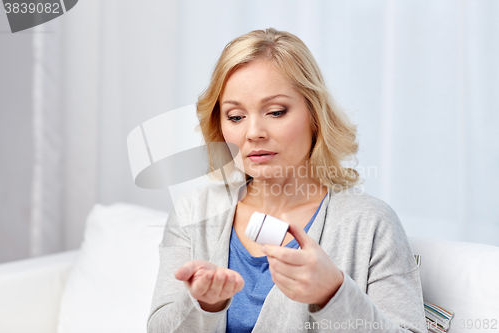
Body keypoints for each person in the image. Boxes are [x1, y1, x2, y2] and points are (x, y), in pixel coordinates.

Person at [147, 28, 426, 332]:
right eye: (236, 117)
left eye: (276, 112)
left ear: (315, 115)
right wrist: (203, 305)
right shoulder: (193, 213)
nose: (253, 132)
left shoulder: (369, 223)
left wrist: (332, 294)